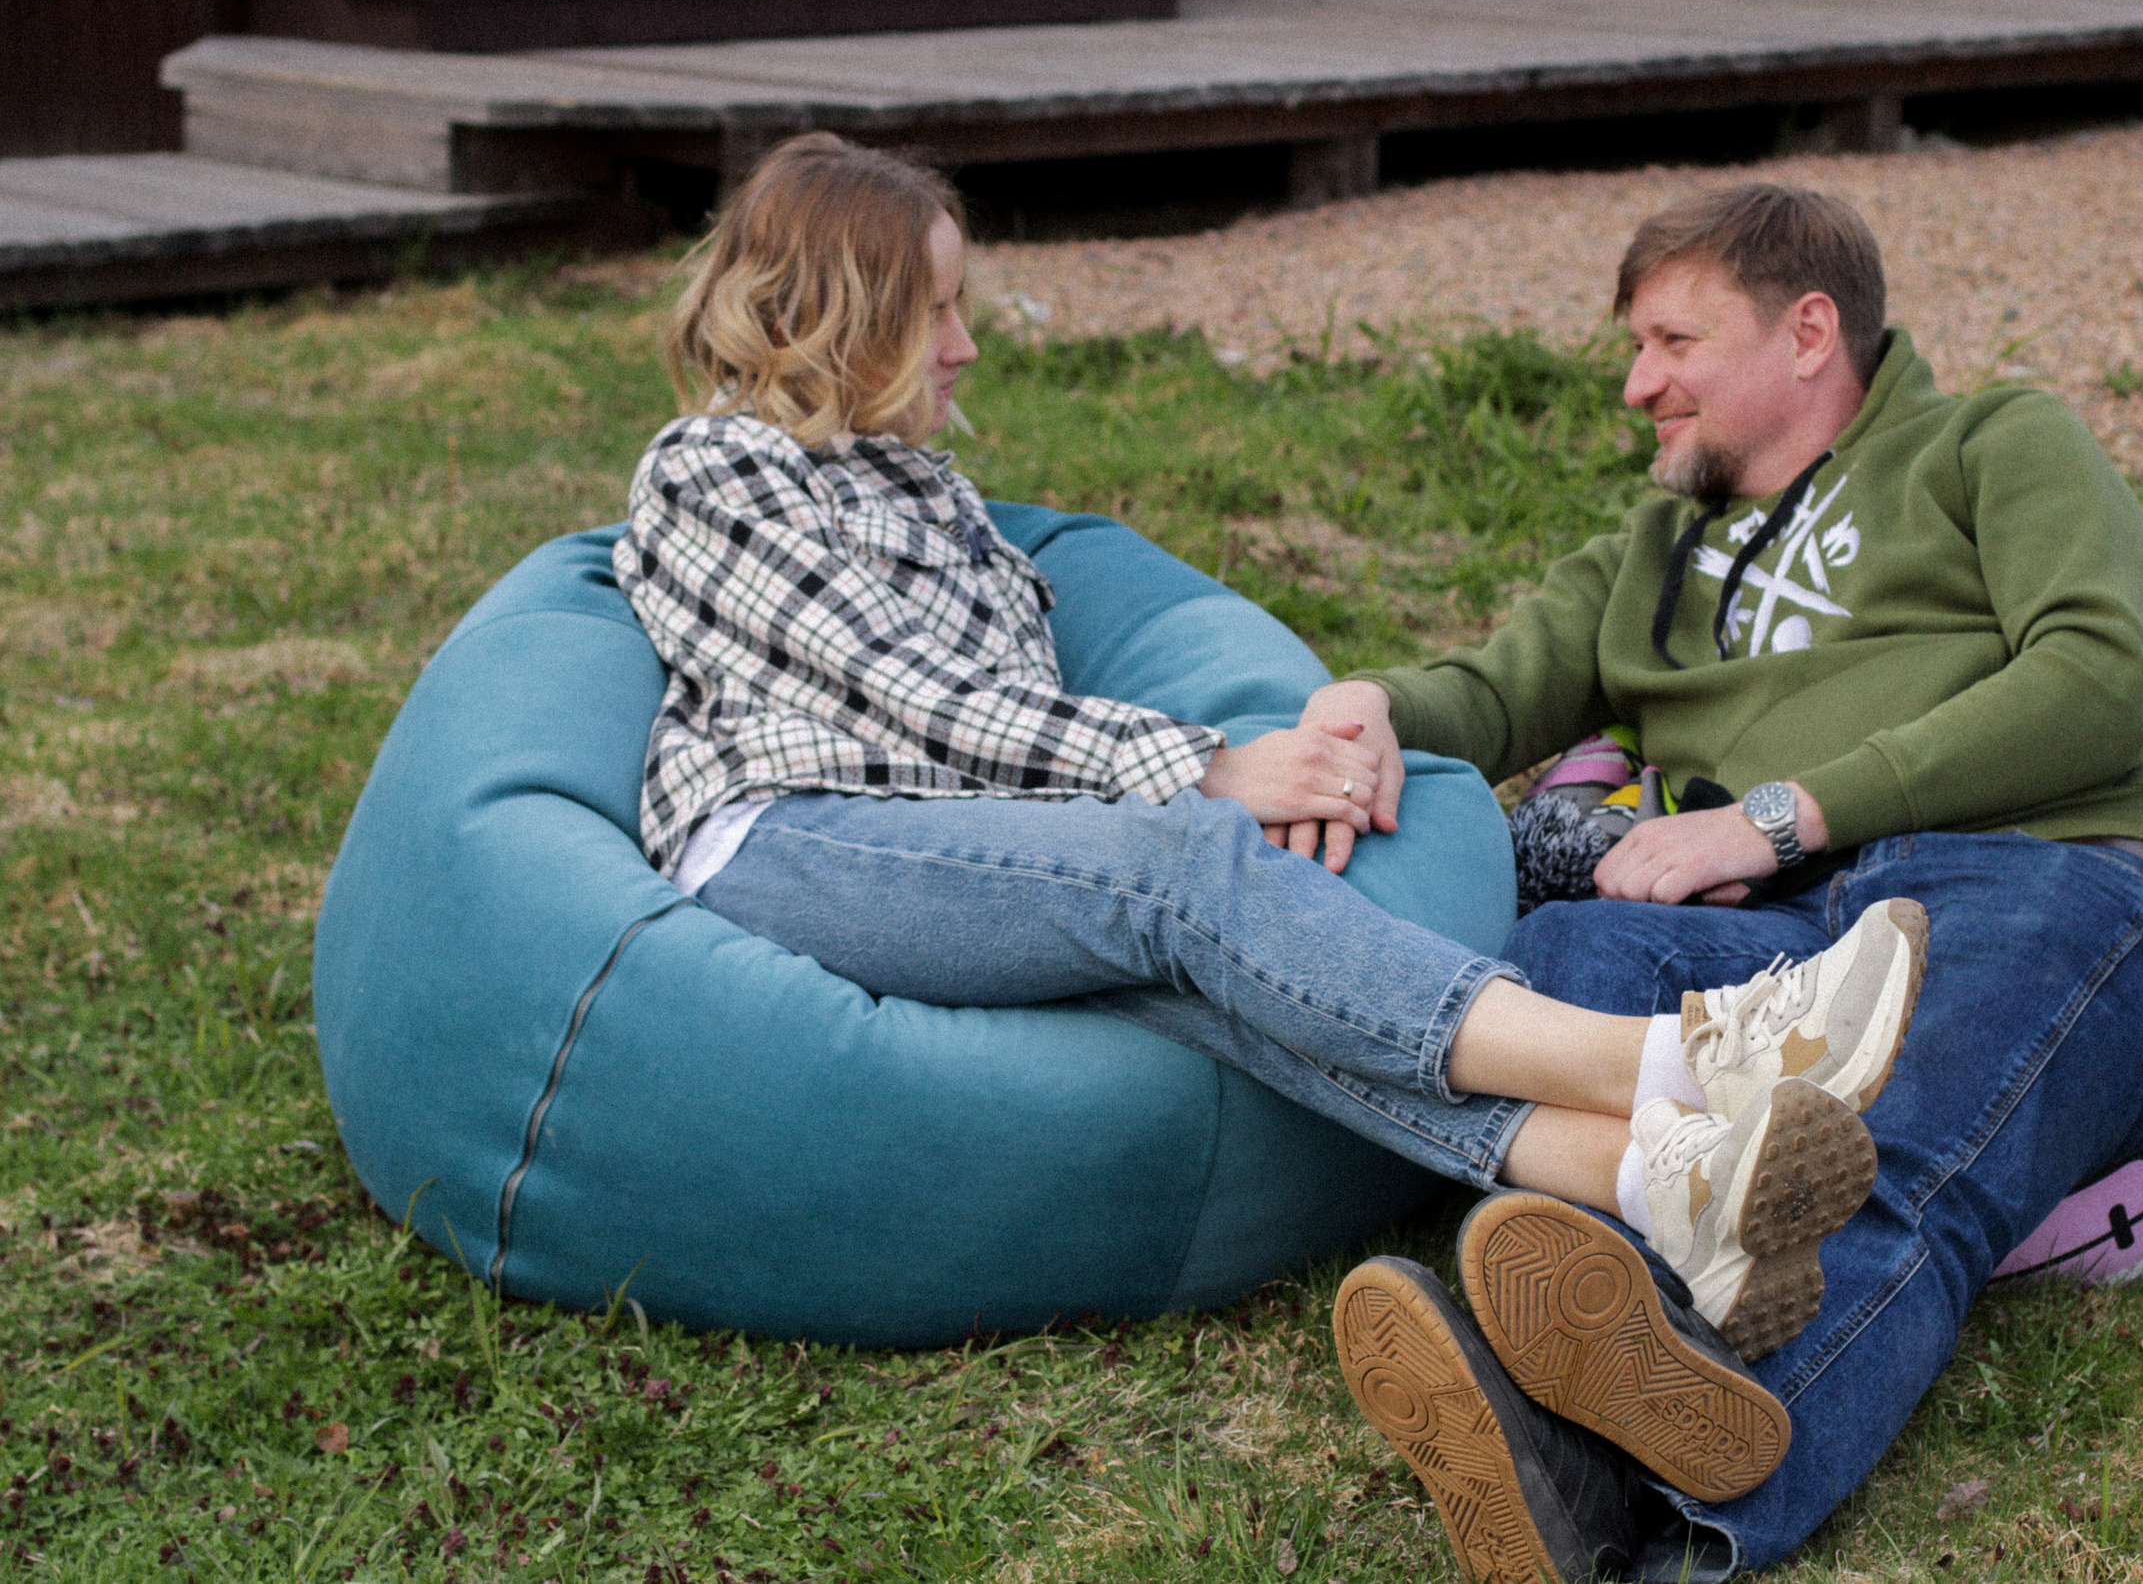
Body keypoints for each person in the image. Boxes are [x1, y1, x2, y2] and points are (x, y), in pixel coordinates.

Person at [610, 134, 1919, 1535]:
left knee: (1239, 988)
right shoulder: (715, 468)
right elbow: (918, 702)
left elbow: (1000, 740)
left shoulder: (932, 493)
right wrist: (1207, 765)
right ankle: (1690, 1061)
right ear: (843, 315)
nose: (966, 345)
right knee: (1189, 866)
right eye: (934, 311)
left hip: (967, 850)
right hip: (794, 843)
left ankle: (1660, 1186)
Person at [1312, 182, 2143, 1580]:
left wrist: (1779, 818)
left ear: (1809, 332)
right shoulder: (1652, 552)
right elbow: (1493, 694)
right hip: (1771, 943)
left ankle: (1653, 1509)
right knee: (1559, 972)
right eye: (1636, 349)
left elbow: (2101, 681)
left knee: (1879, 1144)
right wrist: (1368, 706)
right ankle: (1587, 1420)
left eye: (1674, 342)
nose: (1638, 385)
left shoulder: (1995, 442)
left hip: (2036, 877)